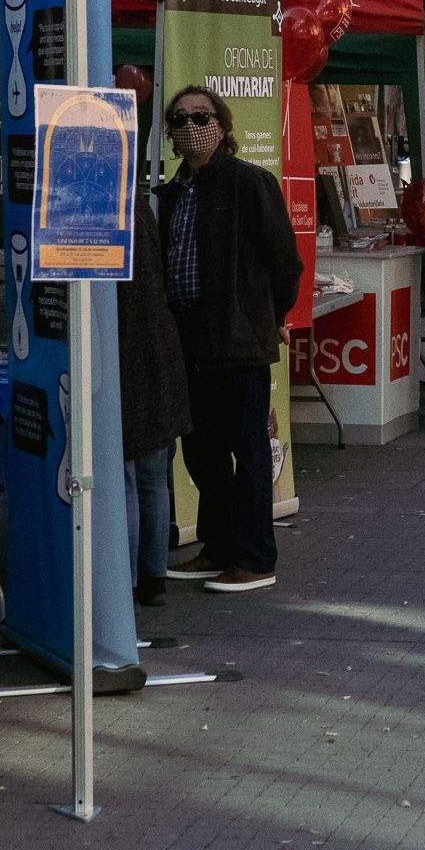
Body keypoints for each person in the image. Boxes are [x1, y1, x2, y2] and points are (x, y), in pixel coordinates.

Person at [158, 87, 304, 593]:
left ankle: (255, 556)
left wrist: (264, 315)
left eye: (200, 116)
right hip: (187, 340)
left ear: (222, 125)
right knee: (201, 451)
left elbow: (285, 262)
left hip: (237, 340)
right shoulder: (171, 193)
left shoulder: (250, 184)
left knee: (247, 447)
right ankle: (218, 546)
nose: (189, 126)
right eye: (178, 119)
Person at [121, 192, 192, 607]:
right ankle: (154, 576)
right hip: (160, 350)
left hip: (126, 355)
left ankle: (129, 580)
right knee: (151, 477)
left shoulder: (101, 212)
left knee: (128, 476)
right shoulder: (142, 208)